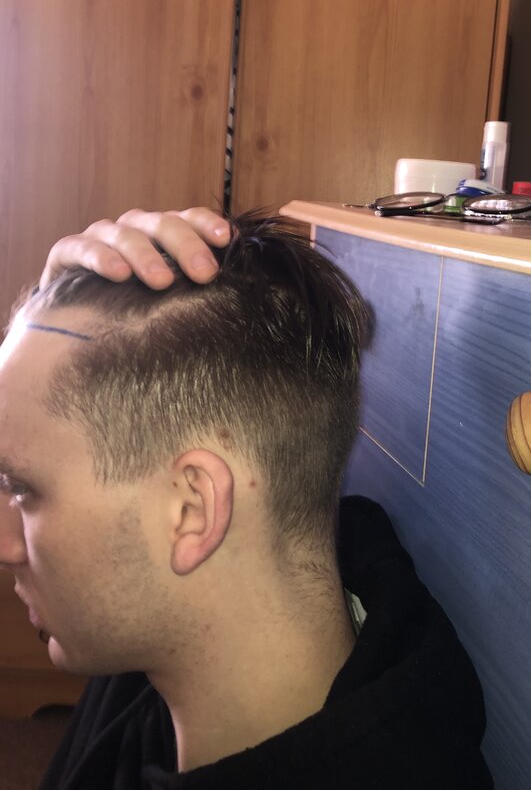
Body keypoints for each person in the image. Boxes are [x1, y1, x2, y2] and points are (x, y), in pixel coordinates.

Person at [0, 208, 492, 789]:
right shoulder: (199, 605)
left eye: (22, 490)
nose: (5, 544)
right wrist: (44, 337)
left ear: (191, 510)